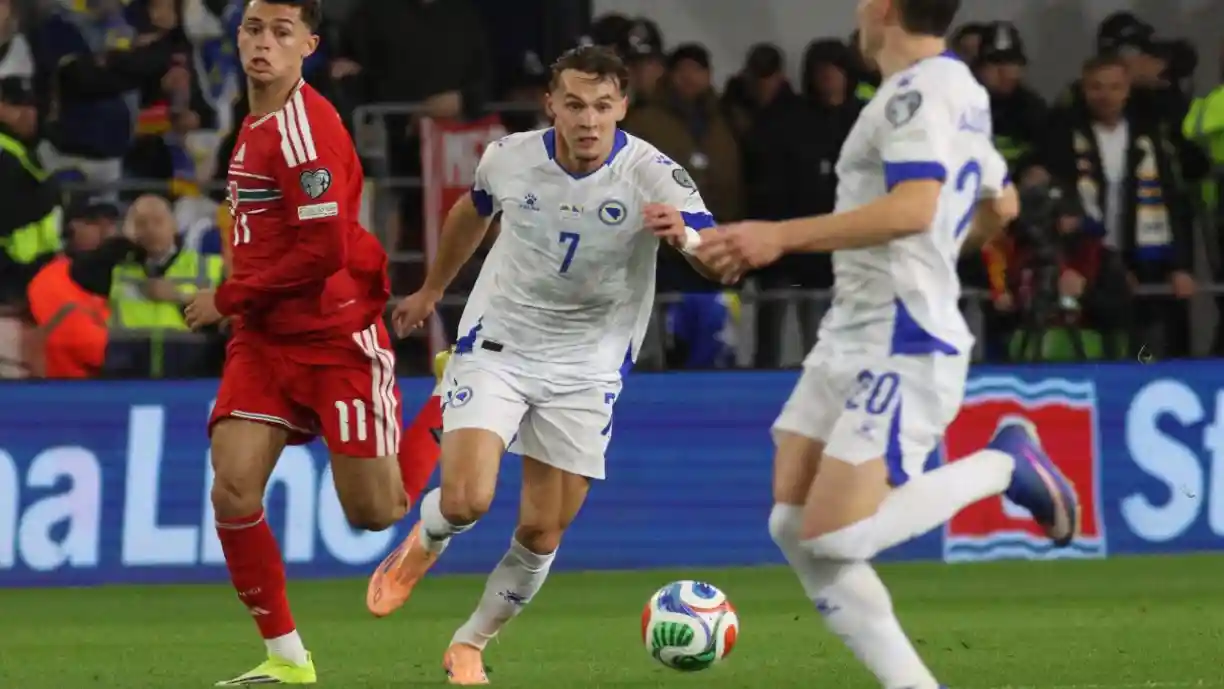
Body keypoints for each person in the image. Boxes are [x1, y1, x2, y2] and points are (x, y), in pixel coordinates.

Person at [696, 1, 1080, 688]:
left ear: (883, 8)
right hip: (853, 328)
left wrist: (778, 235)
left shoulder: (917, 94)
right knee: (792, 522)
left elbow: (914, 208)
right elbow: (1001, 204)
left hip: (903, 335)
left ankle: (1006, 463)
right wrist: (939, 254)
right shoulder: (956, 87)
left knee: (836, 535)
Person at [364, 44, 718, 684]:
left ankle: (470, 643)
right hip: (501, 342)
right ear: (550, 104)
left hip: (589, 365)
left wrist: (687, 237)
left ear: (622, 107)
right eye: (575, 105)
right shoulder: (509, 157)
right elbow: (470, 212)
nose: (588, 120)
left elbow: (720, 259)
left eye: (602, 106)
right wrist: (432, 289)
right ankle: (427, 540)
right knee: (467, 500)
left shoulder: (652, 173)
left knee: (542, 531)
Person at [179, 1, 425, 684]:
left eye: (281, 33)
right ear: (238, 36)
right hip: (265, 338)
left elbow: (322, 251)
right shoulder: (254, 118)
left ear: (308, 45)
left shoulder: (304, 132)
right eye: (254, 29)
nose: (264, 43)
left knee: (375, 513)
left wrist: (229, 297)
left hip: (334, 337)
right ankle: (287, 660)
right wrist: (247, 305)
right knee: (232, 488)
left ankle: (446, 404)